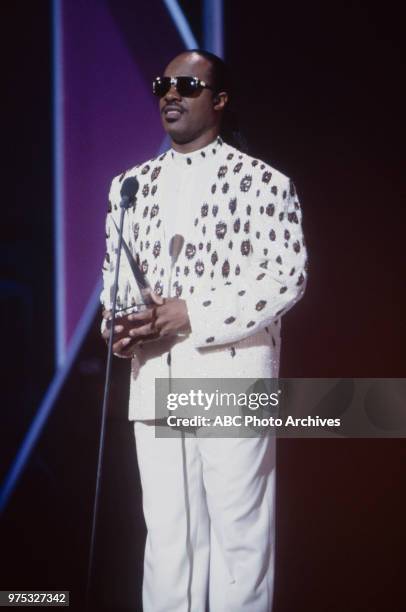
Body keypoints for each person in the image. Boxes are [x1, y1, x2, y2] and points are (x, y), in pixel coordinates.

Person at [101, 50, 308, 612]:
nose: (170, 94)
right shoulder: (129, 189)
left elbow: (285, 277)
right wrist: (119, 330)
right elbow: (112, 287)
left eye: (187, 85)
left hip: (231, 378)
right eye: (163, 84)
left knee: (239, 539)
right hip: (155, 381)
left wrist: (192, 312)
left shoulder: (263, 182)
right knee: (168, 540)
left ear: (218, 101)